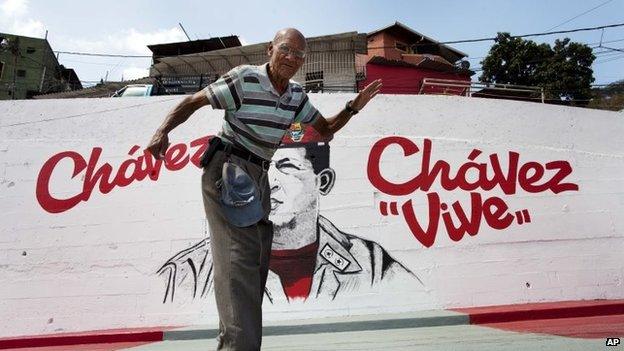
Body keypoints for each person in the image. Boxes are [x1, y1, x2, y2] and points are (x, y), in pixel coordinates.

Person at [147, 27, 382, 351]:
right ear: (270, 49)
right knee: (240, 263)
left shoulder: (296, 96)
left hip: (258, 175)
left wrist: (352, 108)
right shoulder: (245, 79)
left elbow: (325, 128)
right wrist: (162, 131)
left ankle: (230, 342)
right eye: (285, 49)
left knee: (255, 265)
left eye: (298, 55)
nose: (291, 58)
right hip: (229, 170)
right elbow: (193, 101)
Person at [158, 128, 419, 304]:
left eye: (287, 167)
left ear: (323, 182)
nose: (269, 182)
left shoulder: (371, 265)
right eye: (260, 167)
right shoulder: (191, 270)